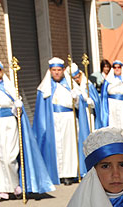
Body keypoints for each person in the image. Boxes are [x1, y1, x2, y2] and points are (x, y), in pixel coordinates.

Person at [0, 58, 55, 200]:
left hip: (8, 123)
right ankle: (1, 189)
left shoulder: (8, 87)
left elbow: (16, 106)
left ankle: (14, 184)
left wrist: (17, 105)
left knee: (9, 156)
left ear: (1, 72)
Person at [34, 57, 90, 185]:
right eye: (54, 70)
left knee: (69, 146)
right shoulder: (45, 88)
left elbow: (78, 106)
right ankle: (56, 173)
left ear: (63, 70)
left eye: (59, 70)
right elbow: (41, 109)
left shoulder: (70, 85)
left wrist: (76, 98)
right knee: (55, 146)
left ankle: (69, 174)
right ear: (50, 71)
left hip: (68, 119)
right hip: (52, 119)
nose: (57, 72)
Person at [68, 62, 101, 130]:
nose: (77, 80)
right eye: (75, 78)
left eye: (78, 77)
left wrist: (91, 102)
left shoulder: (88, 85)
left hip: (88, 112)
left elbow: (96, 102)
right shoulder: (72, 87)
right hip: (79, 114)